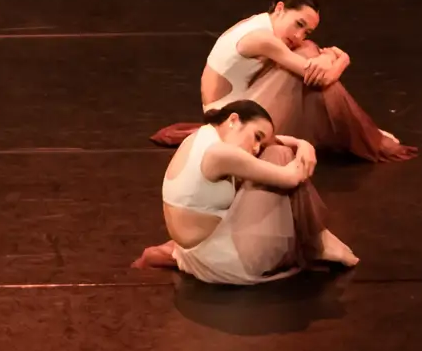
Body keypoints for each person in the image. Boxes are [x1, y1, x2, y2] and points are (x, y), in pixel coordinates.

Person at [153, 0, 415, 162]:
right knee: (308, 65)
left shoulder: (263, 23)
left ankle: (358, 131)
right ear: (280, 8)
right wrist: (341, 60)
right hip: (229, 119)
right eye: (298, 24)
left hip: (240, 101)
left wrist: (321, 58)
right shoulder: (261, 38)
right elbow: (320, 76)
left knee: (307, 52)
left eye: (307, 30)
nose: (299, 34)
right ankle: (367, 136)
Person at [135, 100, 358, 285]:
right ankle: (317, 240)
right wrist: (303, 151)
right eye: (256, 136)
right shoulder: (220, 154)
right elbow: (291, 176)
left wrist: (302, 144)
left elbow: (274, 141)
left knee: (274, 150)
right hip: (225, 262)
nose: (255, 148)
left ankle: (316, 237)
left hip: (194, 254)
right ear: (233, 120)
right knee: (279, 154)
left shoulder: (203, 136)